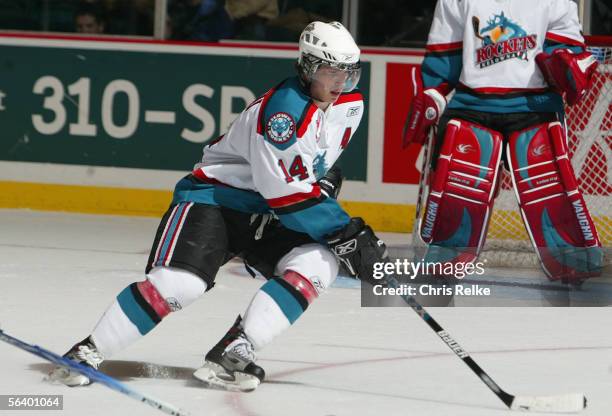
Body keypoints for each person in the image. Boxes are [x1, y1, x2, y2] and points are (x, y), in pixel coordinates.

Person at [49, 21, 389, 392]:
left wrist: (324, 181)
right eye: (330, 71)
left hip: (268, 213)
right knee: (181, 285)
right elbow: (287, 194)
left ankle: (236, 347)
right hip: (216, 201)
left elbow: (308, 168)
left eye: (348, 72)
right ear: (308, 68)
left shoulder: (349, 106)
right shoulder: (283, 115)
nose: (341, 81)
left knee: (319, 261)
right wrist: (345, 231)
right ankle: (86, 351)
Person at [403, 0, 603, 284]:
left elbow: (569, 49)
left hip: (535, 106)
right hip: (472, 103)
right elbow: (444, 53)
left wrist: (567, 63)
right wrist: (433, 92)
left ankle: (569, 257)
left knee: (550, 187)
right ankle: (447, 256)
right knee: (460, 186)